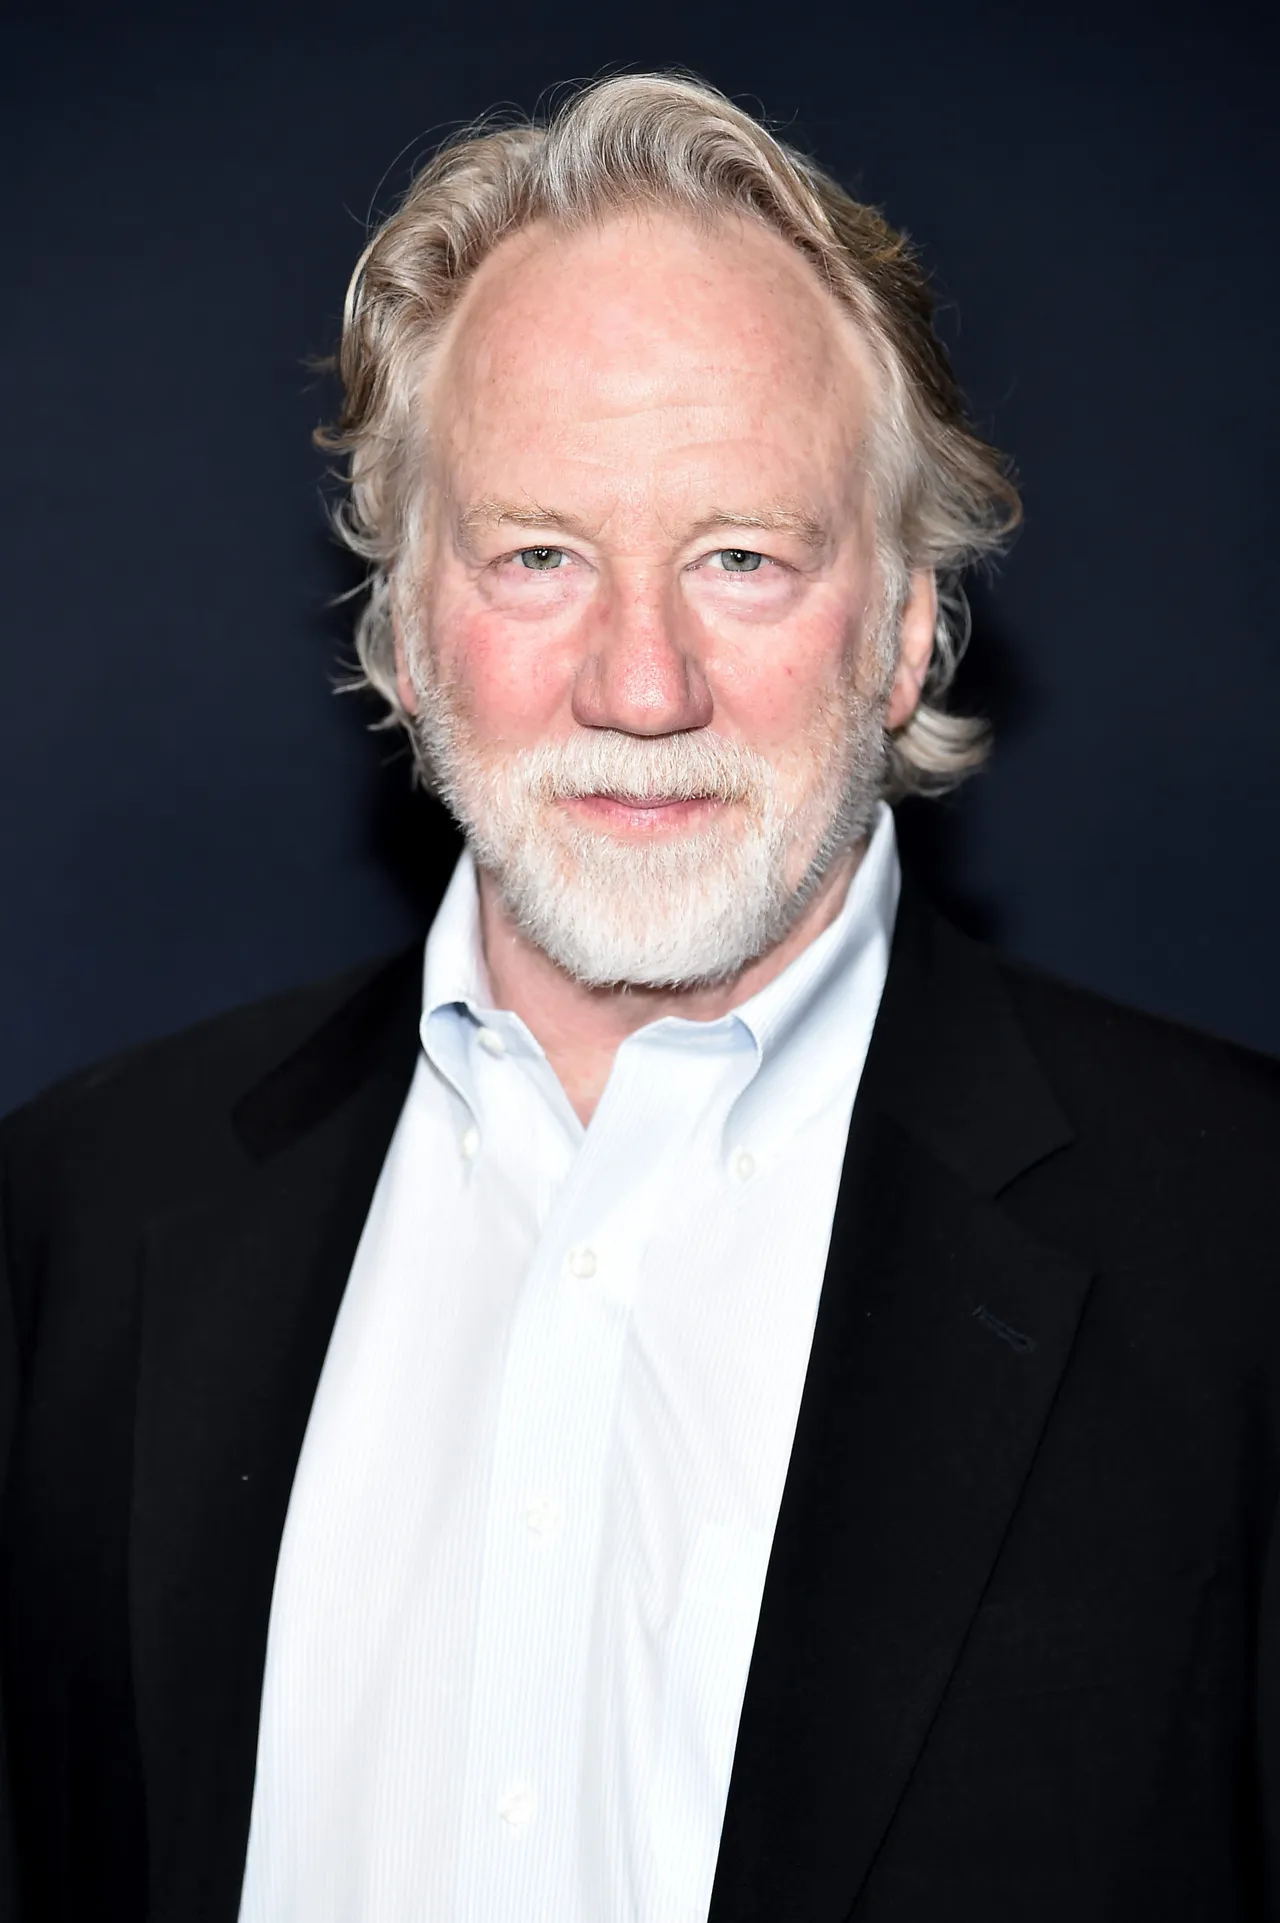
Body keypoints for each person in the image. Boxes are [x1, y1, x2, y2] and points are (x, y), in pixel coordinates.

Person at [1, 69, 1277, 1923]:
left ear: (909, 621)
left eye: (741, 558)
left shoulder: (1240, 1250)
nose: (643, 683)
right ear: (407, 629)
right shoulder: (76, 1225)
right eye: (539, 556)